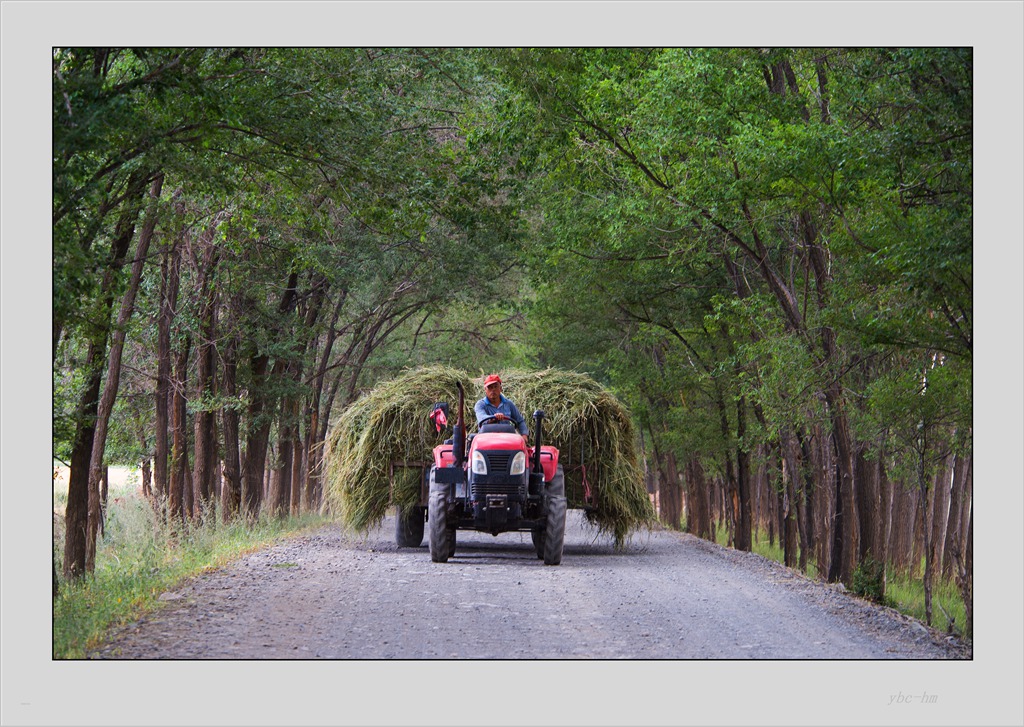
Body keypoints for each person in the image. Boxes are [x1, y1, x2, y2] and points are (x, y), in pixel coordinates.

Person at [474, 374, 528, 443]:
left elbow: (520, 421)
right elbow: (482, 418)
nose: (493, 390)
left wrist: (524, 435)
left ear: (500, 388)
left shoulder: (508, 403)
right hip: (486, 439)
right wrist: (493, 418)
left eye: (495, 387)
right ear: (485, 390)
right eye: (490, 387)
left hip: (507, 439)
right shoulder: (480, 404)